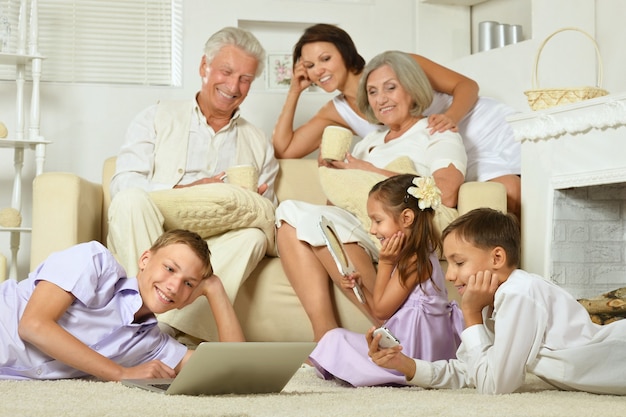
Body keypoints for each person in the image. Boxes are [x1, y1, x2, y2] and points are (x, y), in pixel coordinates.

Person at [275, 50, 467, 341]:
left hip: (406, 228)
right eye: (373, 92)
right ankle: (325, 335)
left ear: (413, 89)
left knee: (315, 220)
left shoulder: (436, 131)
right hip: (365, 226)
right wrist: (334, 178)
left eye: (390, 88)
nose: (381, 99)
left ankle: (382, 315)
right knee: (289, 214)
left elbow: (446, 192)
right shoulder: (369, 142)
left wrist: (368, 170)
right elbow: (340, 204)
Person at [107, 27, 279, 343]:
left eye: (245, 79)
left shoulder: (258, 143)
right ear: (204, 68)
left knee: (254, 237)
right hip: (159, 233)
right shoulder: (156, 117)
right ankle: (140, 312)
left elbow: (271, 215)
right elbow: (121, 183)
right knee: (129, 200)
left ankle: (164, 328)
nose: (233, 86)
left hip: (213, 247)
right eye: (226, 72)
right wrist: (183, 191)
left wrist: (253, 203)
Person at [367, 207, 626, 395]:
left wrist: (469, 313)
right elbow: (475, 370)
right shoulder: (493, 301)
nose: (449, 274)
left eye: (459, 262)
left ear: (497, 258)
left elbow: (496, 385)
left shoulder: (518, 293)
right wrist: (407, 365)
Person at [272, 23, 521, 218]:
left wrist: (450, 117)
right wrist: (294, 91)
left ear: (346, 53)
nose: (318, 70)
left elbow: (466, 85)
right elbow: (285, 149)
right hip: (439, 162)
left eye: (325, 59)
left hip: (478, 129)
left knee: (513, 192)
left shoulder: (398, 66)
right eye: (310, 65)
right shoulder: (336, 110)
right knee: (490, 197)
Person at [0, 229, 245, 381]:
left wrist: (215, 289)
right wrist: (121, 373)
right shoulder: (94, 263)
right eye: (169, 269)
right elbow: (33, 325)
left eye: (188, 284)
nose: (173, 286)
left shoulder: (152, 347)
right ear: (145, 259)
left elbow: (235, 368)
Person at [309, 174, 464, 387]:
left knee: (335, 339)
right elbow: (384, 312)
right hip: (406, 343)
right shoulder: (414, 254)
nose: (372, 229)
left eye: (378, 220)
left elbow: (381, 312)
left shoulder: (414, 260)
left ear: (407, 218)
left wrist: (385, 263)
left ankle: (388, 373)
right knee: (335, 339)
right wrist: (359, 287)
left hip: (414, 353)